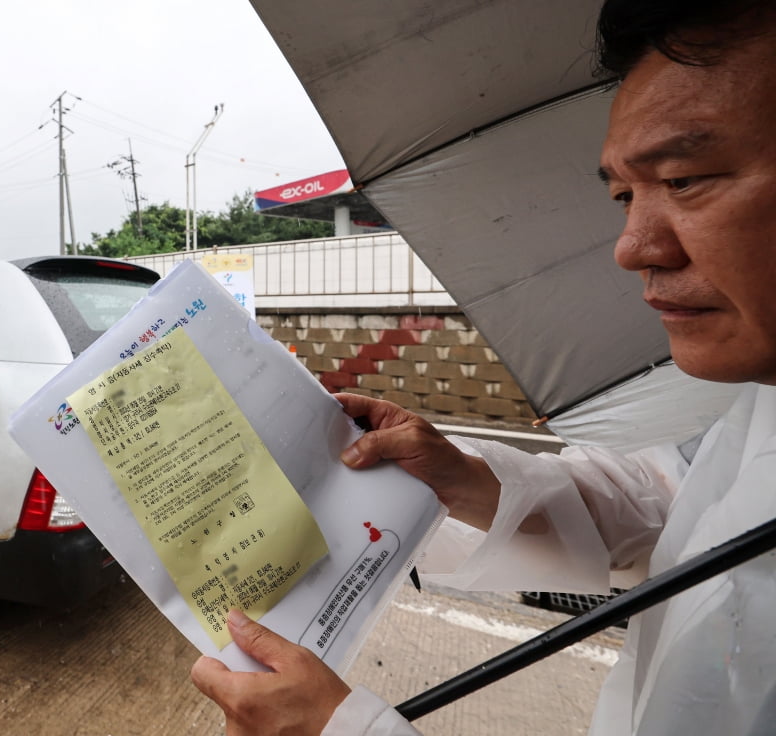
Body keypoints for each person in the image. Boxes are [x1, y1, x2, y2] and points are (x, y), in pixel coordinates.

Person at [190, 0, 776, 733]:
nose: (632, 246)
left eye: (685, 179)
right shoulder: (760, 406)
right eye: (625, 195)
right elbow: (673, 506)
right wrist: (461, 477)